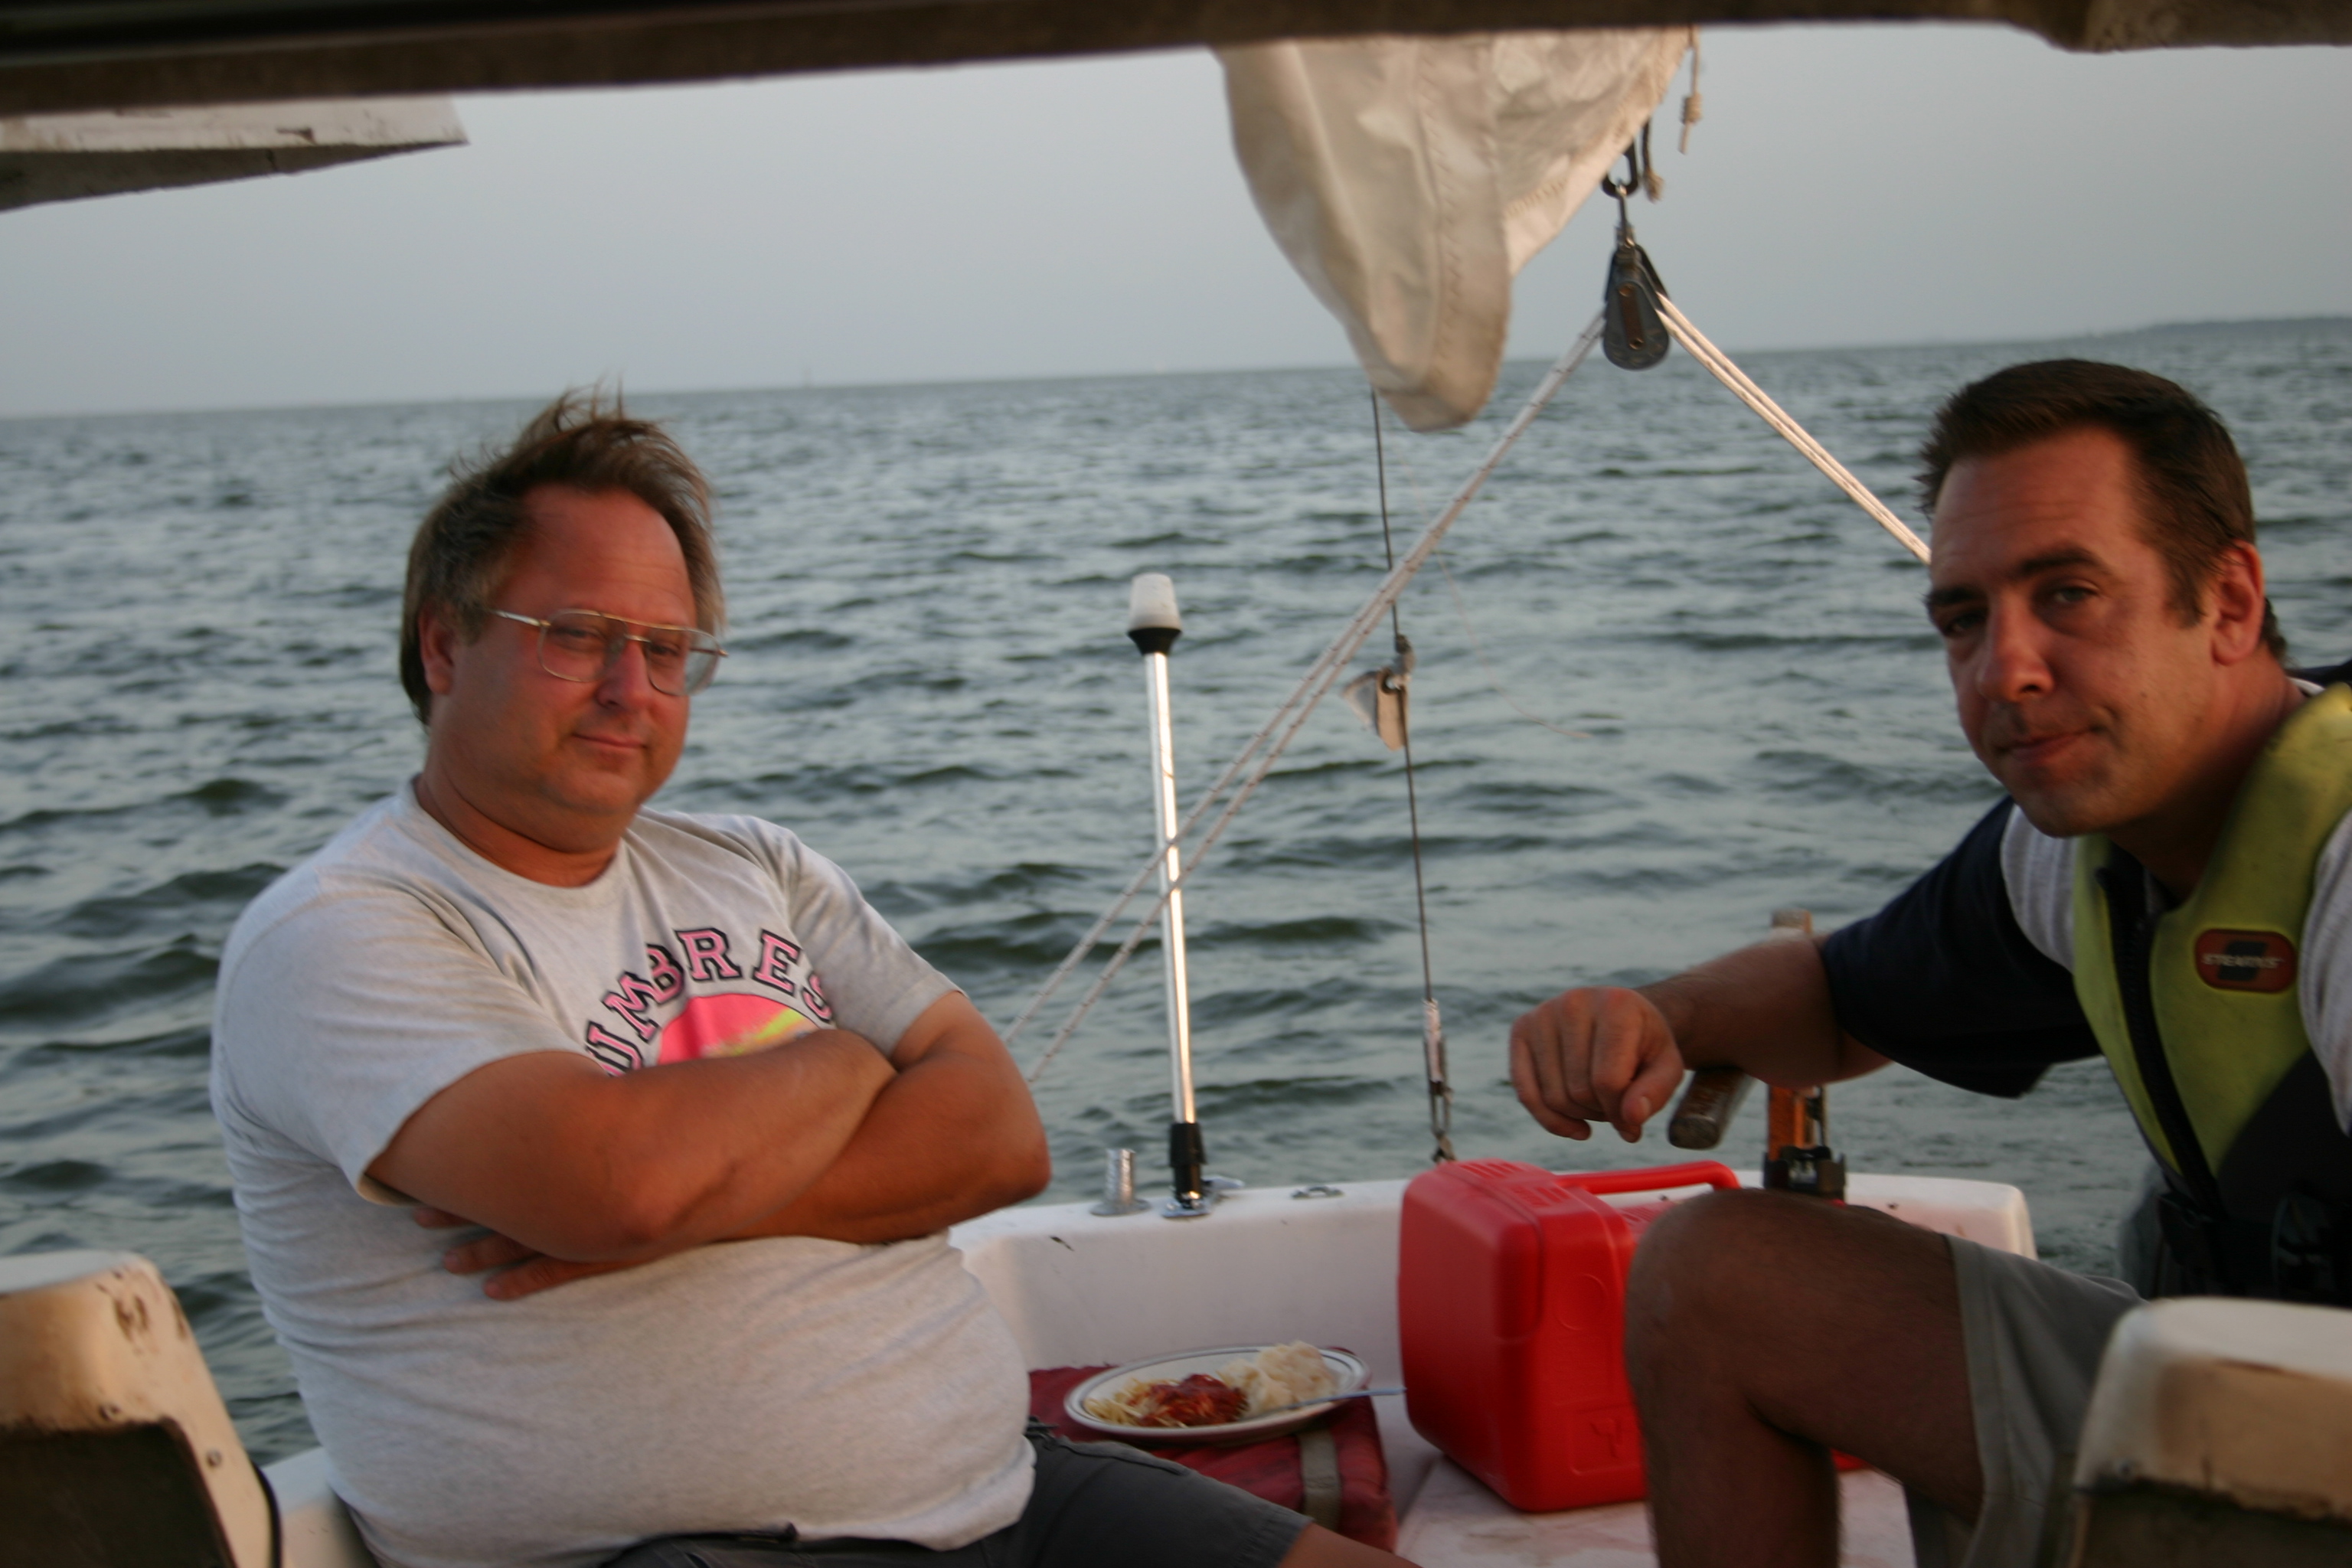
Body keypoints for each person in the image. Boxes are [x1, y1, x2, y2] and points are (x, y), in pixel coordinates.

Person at [210, 395, 1411, 1568]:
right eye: (576, 635)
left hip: (1009, 1488)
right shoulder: (343, 930)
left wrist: (698, 1198)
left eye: (667, 650)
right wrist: (844, 1060)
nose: (631, 688)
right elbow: (618, 1186)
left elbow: (998, 1141)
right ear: (442, 644)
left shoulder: (756, 867)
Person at [1506, 360, 2352, 1568]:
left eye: (2068, 594)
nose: (2005, 668)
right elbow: (1842, 997)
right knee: (1718, 1280)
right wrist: (1661, 1015)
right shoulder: (2075, 856)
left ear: (2227, 603)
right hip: (2244, 1393)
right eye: (1963, 619)